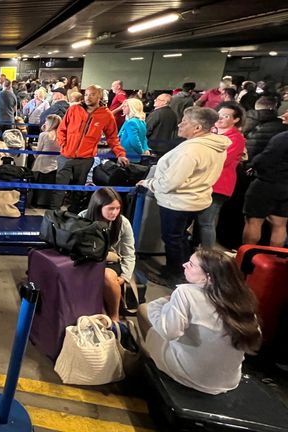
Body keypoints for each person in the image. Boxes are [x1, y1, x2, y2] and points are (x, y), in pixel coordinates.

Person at [137, 249, 261, 395]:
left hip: (191, 375)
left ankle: (144, 355)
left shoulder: (186, 292)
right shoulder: (243, 298)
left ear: (207, 277)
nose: (184, 265)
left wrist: (162, 303)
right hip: (229, 380)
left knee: (143, 309)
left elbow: (169, 332)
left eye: (191, 264)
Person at [137, 107, 229, 285]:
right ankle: (184, 268)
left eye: (184, 122)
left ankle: (175, 275)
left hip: (178, 203)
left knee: (173, 239)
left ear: (197, 128)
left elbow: (170, 183)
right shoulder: (215, 145)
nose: (179, 124)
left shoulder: (190, 151)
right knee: (180, 238)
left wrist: (149, 183)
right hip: (196, 200)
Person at [53, 85, 129, 210]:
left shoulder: (106, 115)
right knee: (59, 188)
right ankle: (53, 213)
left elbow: (113, 138)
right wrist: (64, 145)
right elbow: (62, 129)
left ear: (99, 96)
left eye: (92, 94)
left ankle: (74, 215)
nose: (88, 97)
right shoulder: (74, 109)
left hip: (85, 159)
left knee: (78, 190)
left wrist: (120, 154)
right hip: (66, 156)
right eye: (86, 94)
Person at [79, 188, 135, 323]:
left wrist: (125, 276)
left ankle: (114, 316)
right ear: (98, 206)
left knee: (107, 276)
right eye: (111, 208)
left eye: (118, 208)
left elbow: (129, 252)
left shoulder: (123, 223)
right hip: (88, 260)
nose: (115, 212)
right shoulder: (82, 218)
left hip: (111, 262)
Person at [195, 102, 246, 248]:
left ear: (236, 119)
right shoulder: (211, 133)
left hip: (219, 186)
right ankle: (195, 251)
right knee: (199, 221)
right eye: (219, 114)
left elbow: (221, 160)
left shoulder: (236, 138)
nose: (221, 118)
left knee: (206, 222)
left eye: (226, 116)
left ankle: (207, 257)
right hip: (203, 182)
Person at [242, 112, 288, 247]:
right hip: (286, 188)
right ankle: (274, 261)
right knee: (280, 224)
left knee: (254, 221)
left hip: (267, 184)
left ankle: (246, 260)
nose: (284, 114)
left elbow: (265, 159)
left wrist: (252, 165)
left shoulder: (283, 138)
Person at [30, 114, 61, 209]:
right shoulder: (62, 135)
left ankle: (36, 202)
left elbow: (38, 151)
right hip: (56, 164)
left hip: (42, 164)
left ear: (50, 123)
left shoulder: (44, 135)